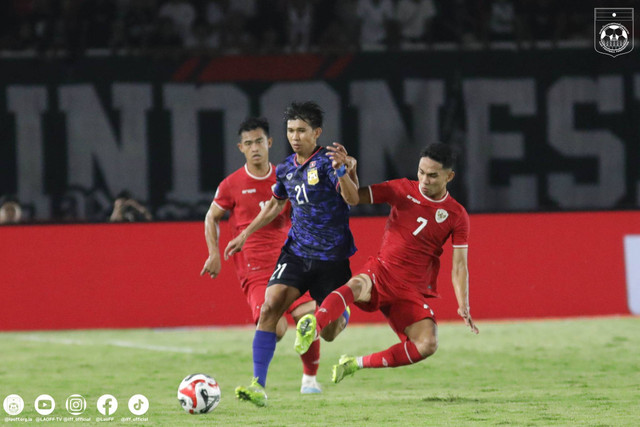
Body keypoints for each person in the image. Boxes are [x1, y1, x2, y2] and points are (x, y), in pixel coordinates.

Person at [294, 143, 479, 385]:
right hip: (381, 271)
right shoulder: (401, 188)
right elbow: (352, 197)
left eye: (433, 175)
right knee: (357, 285)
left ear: (449, 176)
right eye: (421, 172)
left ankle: (354, 364)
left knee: (427, 344)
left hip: (409, 290)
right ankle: (313, 329)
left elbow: (459, 266)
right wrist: (345, 173)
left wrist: (463, 303)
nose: (424, 179)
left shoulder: (456, 214)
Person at [224, 101, 360, 406]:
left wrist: (344, 172)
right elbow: (275, 204)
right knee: (270, 307)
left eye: (301, 130)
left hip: (331, 259)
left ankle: (342, 313)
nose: (295, 137)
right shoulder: (286, 168)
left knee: (328, 334)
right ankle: (258, 385)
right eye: (290, 130)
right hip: (296, 253)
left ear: (316, 132)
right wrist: (245, 233)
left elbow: (352, 199)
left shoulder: (328, 162)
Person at [200, 116, 321, 395]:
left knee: (307, 319)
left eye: (259, 141)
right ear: (240, 148)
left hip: (290, 260)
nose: (254, 147)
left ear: (269, 142)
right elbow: (212, 217)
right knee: (276, 328)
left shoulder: (287, 176)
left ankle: (310, 379)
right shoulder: (231, 184)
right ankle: (260, 383)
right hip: (254, 268)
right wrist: (213, 253)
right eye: (248, 143)